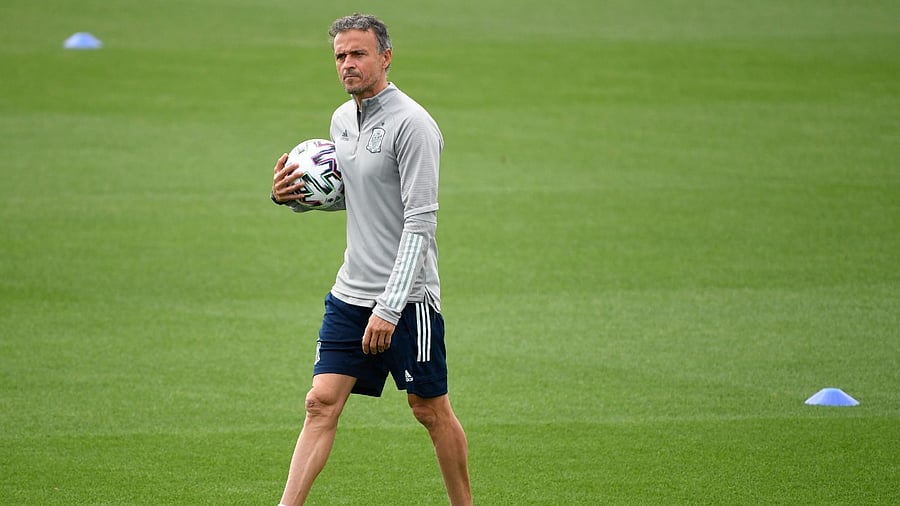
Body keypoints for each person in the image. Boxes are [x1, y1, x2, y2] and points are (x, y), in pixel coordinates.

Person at [270, 13, 472, 506]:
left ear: (385, 57)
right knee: (320, 403)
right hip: (350, 291)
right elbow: (360, 196)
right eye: (340, 55)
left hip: (408, 300)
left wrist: (389, 306)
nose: (347, 64)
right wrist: (294, 198)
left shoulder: (414, 126)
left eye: (358, 54)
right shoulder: (342, 119)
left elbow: (420, 222)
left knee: (429, 409)